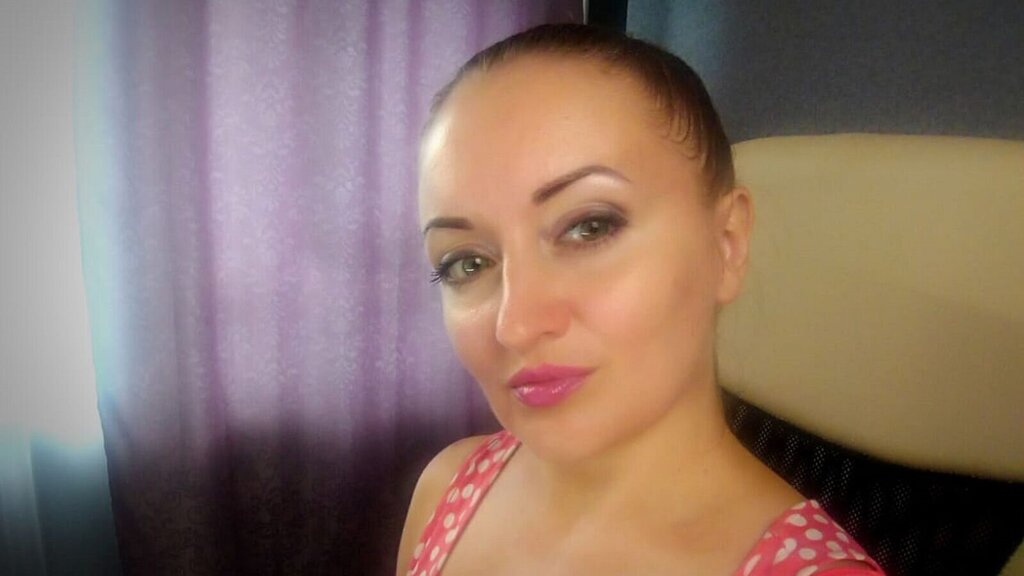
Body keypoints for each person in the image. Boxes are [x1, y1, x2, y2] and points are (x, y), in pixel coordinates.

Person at [397, 23, 885, 576]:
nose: (515, 324)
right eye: (466, 263)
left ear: (726, 244)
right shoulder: (446, 488)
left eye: (589, 227)